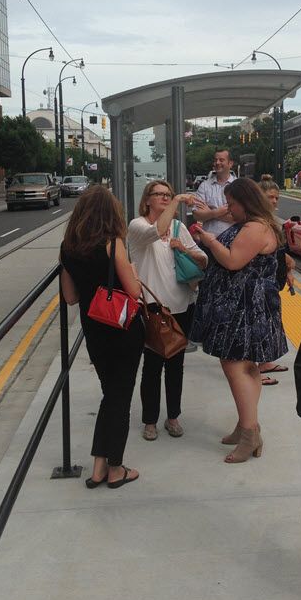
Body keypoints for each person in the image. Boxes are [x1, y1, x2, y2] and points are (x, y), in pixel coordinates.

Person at [189, 178, 287, 463]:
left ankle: (249, 432)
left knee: (235, 366)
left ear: (246, 202)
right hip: (245, 305)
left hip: (244, 307)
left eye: (232, 204)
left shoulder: (255, 227)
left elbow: (233, 261)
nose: (228, 209)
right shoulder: (256, 224)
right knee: (246, 366)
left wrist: (209, 240)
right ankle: (247, 424)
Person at [59, 185, 144, 490]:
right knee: (120, 398)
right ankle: (116, 469)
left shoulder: (67, 248)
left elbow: (70, 297)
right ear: (112, 214)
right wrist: (133, 272)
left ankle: (98, 467)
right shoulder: (113, 243)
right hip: (122, 329)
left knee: (111, 394)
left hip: (94, 330)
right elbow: (134, 291)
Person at [128, 180, 207, 441]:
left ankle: (173, 416)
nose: (165, 198)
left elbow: (203, 259)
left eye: (168, 195)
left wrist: (183, 249)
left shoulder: (178, 227)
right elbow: (156, 230)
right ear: (147, 199)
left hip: (182, 306)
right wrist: (177, 200)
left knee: (176, 366)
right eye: (159, 194)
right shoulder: (138, 226)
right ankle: (150, 420)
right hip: (152, 309)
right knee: (152, 367)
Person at [257, 175, 295, 386]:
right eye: (269, 197)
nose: (273, 201)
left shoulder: (272, 221)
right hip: (259, 283)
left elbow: (278, 252)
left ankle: (264, 362)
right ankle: (254, 370)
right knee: (258, 324)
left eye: (276, 197)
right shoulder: (256, 222)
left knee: (270, 322)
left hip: (272, 281)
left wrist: (288, 268)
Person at [192, 150, 236, 237]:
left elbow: (239, 217)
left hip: (233, 239)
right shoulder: (204, 186)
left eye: (221, 160)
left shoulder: (238, 185)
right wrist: (216, 212)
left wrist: (210, 212)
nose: (217, 163)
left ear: (230, 163)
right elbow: (196, 215)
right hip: (207, 240)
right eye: (215, 160)